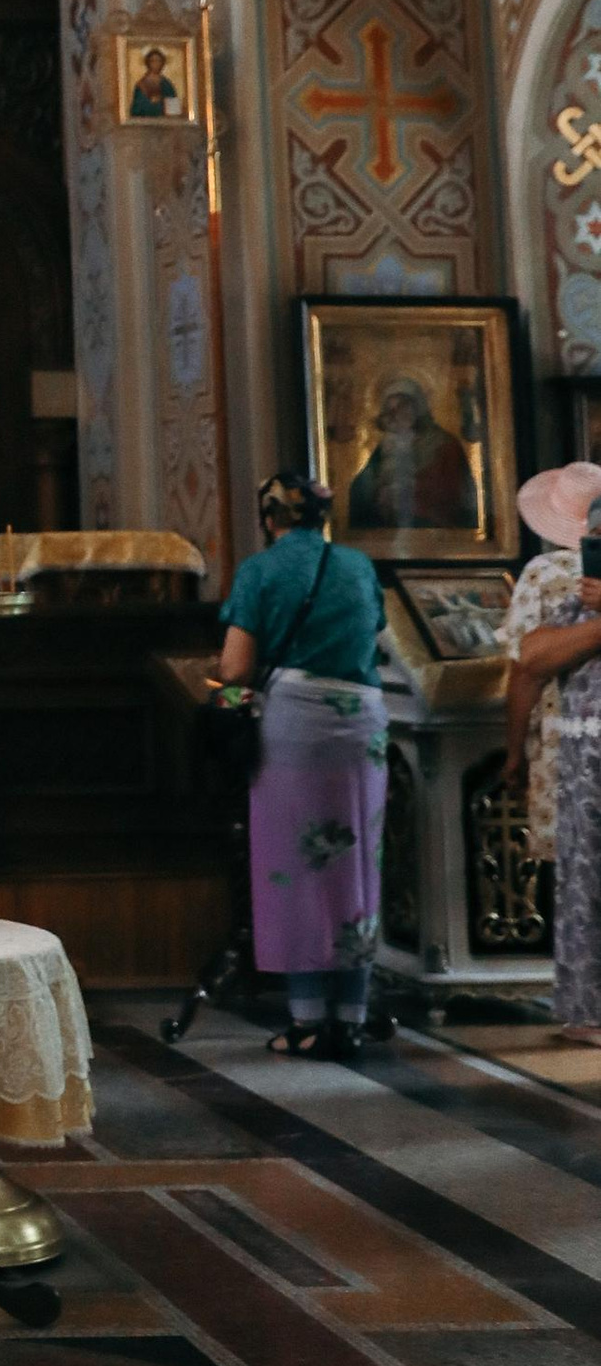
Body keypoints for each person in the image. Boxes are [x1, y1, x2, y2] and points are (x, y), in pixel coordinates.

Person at [214, 470, 388, 1059]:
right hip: (363, 722)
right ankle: (355, 1015)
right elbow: (374, 638)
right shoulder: (358, 566)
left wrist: (222, 697)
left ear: (270, 518)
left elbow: (236, 671)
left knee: (293, 864)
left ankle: (308, 1019)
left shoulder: (260, 570)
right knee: (358, 860)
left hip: (297, 727)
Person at [501, 460, 601, 1046]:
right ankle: (587, 1005)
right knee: (584, 872)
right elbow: (531, 661)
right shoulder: (568, 587)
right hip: (580, 751)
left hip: (569, 747)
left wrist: (513, 749)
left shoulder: (547, 572)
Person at [344, 373, 480, 536]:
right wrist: (377, 492)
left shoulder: (446, 445)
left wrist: (410, 497)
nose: (397, 414)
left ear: (418, 407)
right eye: (390, 410)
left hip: (435, 532)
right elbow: (361, 490)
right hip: (388, 534)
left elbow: (458, 495)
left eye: (403, 406)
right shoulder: (386, 447)